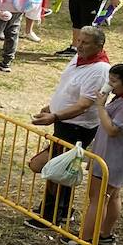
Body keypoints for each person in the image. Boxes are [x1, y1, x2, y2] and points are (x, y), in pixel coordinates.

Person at [29, 25, 111, 227]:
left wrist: (55, 115)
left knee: (59, 171)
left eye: (85, 42)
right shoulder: (79, 58)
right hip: (63, 123)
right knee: (51, 165)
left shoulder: (99, 70)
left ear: (98, 46)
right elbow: (68, 86)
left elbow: (84, 105)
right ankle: (62, 210)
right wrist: (51, 107)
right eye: (79, 41)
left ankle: (52, 215)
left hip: (76, 127)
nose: (79, 45)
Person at [80, 63, 123, 245]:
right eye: (108, 80)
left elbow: (112, 129)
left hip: (113, 159)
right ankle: (104, 234)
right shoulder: (122, 98)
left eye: (114, 81)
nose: (109, 84)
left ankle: (86, 239)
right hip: (109, 155)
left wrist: (100, 106)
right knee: (111, 196)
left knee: (98, 198)